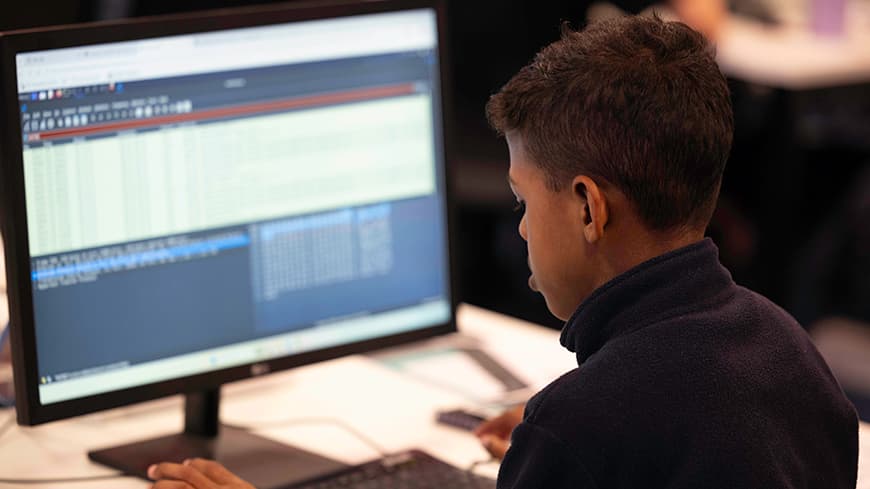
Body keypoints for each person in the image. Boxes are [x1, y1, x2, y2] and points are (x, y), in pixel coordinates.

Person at [147, 14, 858, 489]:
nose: (517, 228)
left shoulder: (584, 426)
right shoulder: (791, 353)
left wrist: (563, 441)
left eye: (524, 201)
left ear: (587, 206)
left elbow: (620, 426)